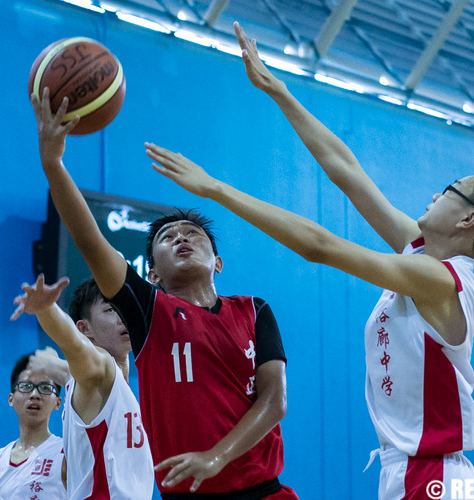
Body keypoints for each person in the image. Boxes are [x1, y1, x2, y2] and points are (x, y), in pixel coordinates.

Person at [142, 21, 474, 500]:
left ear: (468, 219)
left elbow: (320, 246)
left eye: (450, 190)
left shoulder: (438, 278)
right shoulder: (421, 251)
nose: (436, 193)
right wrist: (277, 90)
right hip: (411, 474)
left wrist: (216, 188)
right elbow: (346, 170)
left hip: (434, 478)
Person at [30, 87, 299, 499]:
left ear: (218, 261)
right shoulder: (149, 311)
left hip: (264, 490)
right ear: (151, 272)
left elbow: (274, 401)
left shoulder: (255, 310)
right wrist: (53, 164)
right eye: (168, 237)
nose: (181, 238)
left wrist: (217, 456)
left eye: (193, 234)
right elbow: (89, 240)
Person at [11, 275, 155, 499]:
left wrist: (51, 362)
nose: (123, 317)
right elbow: (74, 344)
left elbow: (68, 367)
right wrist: (47, 310)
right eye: (110, 310)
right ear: (84, 328)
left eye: (125, 307)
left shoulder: (103, 384)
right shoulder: (102, 368)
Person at [0, 352, 67, 500]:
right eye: (26, 386)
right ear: (11, 398)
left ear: (57, 403)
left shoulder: (66, 455)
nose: (34, 395)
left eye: (45, 388)